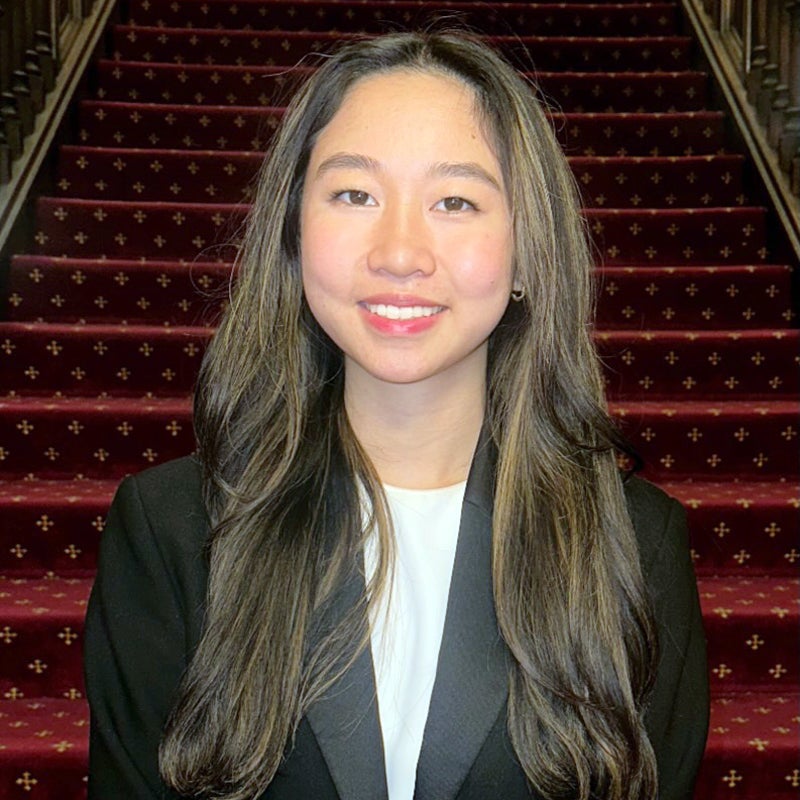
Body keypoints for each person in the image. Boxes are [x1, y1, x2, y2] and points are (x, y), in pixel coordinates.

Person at [84, 31, 709, 800]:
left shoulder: (637, 542)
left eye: (455, 201)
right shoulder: (170, 530)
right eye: (355, 195)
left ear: (526, 250)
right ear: (294, 231)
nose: (401, 252)